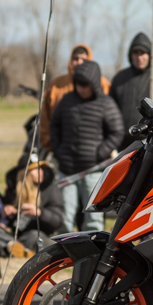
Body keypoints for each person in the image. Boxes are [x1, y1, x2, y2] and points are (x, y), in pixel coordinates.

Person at [50, 60, 124, 232]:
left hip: (93, 171)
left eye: (85, 85)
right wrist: (58, 150)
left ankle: (93, 248)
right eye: (78, 84)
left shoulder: (106, 103)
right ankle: (64, 248)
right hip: (67, 170)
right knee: (65, 217)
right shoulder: (66, 100)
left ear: (94, 84)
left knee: (93, 218)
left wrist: (100, 153)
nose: (82, 89)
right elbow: (54, 126)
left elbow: (117, 132)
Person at [36, 44, 110, 153]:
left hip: (93, 150)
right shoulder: (56, 85)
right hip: (61, 150)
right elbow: (45, 118)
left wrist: (104, 149)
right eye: (76, 59)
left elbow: (112, 121)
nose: (79, 62)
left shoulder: (103, 84)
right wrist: (51, 145)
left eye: (83, 59)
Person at [110, 32, 153, 145]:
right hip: (124, 141)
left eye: (143, 53)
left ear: (150, 54)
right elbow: (110, 110)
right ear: (130, 55)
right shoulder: (120, 78)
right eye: (136, 53)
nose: (139, 57)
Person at [4, 159, 64, 253]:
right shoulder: (14, 190)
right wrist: (8, 212)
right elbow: (13, 225)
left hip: (40, 235)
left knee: (35, 235)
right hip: (16, 236)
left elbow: (58, 222)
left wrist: (40, 213)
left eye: (41, 168)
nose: (40, 172)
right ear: (23, 173)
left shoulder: (51, 190)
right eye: (35, 169)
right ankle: (18, 248)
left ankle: (14, 249)